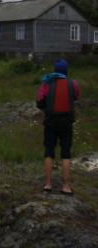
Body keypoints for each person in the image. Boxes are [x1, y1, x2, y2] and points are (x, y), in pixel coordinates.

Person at [36, 59, 80, 195]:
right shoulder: (73, 83)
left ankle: (48, 184)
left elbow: (39, 101)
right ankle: (66, 186)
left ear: (55, 70)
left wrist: (46, 108)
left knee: (49, 151)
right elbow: (76, 97)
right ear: (66, 71)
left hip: (50, 122)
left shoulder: (47, 83)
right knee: (66, 153)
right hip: (66, 122)